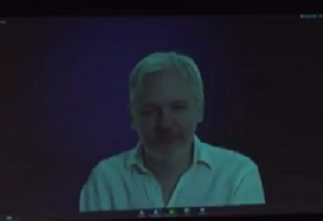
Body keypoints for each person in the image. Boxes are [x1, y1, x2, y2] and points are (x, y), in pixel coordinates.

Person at [79, 51, 266, 212]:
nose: (165, 124)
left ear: (200, 110)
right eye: (150, 111)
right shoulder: (105, 181)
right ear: (132, 117)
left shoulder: (237, 176)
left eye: (178, 107)